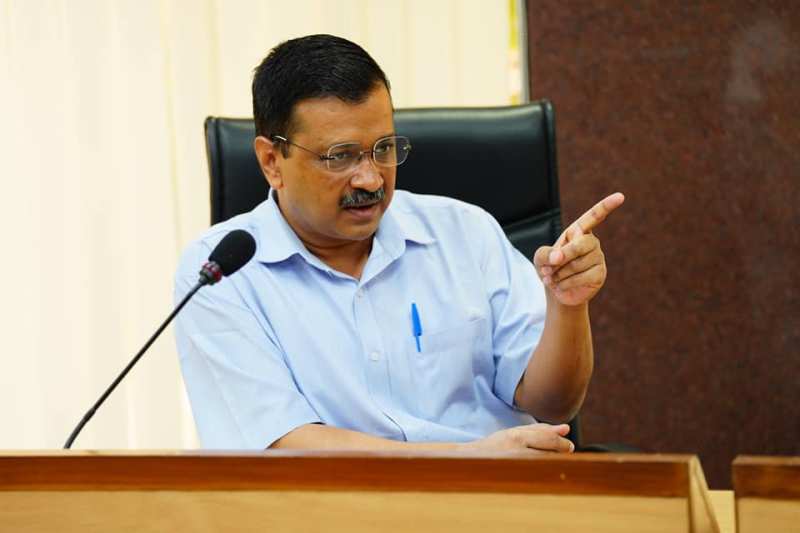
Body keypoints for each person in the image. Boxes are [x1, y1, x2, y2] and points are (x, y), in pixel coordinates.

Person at [174, 34, 624, 453]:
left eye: (384, 149)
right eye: (341, 157)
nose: (371, 180)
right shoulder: (221, 274)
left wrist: (567, 307)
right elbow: (279, 444)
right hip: (336, 503)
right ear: (272, 161)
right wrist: (465, 461)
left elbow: (553, 404)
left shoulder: (465, 232)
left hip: (507, 495)